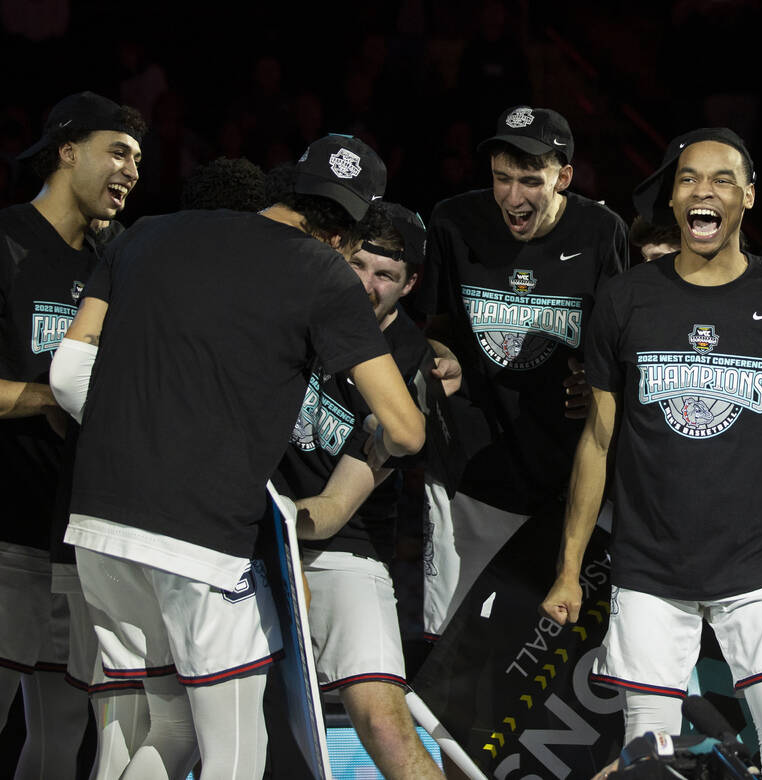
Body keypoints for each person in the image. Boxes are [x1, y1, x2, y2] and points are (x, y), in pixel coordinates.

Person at [49, 134, 425, 779]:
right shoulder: (321, 272)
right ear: (344, 232)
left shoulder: (142, 235)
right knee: (236, 752)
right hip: (201, 536)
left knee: (167, 726)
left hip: (96, 522)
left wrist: (140, 437)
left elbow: (67, 372)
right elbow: (406, 430)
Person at [541, 127, 762, 780]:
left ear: (751, 197)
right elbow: (596, 442)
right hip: (650, 567)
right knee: (649, 757)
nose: (702, 190)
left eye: (721, 179)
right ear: (673, 201)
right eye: (687, 179)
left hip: (760, 568)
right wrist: (569, 568)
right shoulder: (626, 300)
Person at [417, 105, 628, 642]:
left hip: (568, 478)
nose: (513, 197)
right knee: (457, 652)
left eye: (530, 181)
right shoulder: (452, 221)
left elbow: (621, 345)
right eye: (501, 179)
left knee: (555, 653)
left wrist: (598, 381)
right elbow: (432, 322)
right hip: (471, 473)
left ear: (564, 176)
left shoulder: (602, 232)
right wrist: (443, 355)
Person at [274, 203, 452, 780]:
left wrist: (275, 523)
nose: (367, 286)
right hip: (250, 534)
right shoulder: (286, 307)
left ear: (411, 285)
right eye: (358, 265)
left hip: (341, 540)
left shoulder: (411, 362)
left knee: (383, 723)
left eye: (386, 276)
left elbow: (330, 512)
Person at [0, 90, 145, 779]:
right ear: (67, 152)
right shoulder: (5, 240)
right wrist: (44, 398)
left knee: (61, 736)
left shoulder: (114, 261)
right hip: (4, 535)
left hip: (75, 541)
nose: (132, 170)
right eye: (118, 151)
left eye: (139, 159)